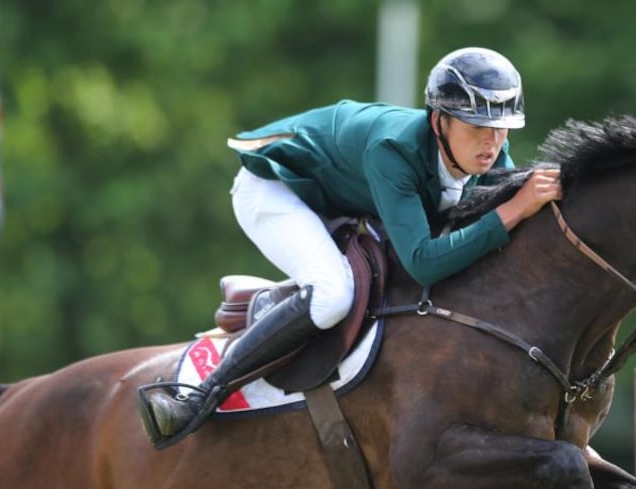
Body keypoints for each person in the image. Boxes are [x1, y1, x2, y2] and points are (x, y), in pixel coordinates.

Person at [137, 47, 562, 449]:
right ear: (438, 122)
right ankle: (198, 396)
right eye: (476, 128)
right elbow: (424, 264)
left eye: (500, 128)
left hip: (338, 198)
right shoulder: (393, 150)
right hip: (276, 188)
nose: (491, 143)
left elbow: (497, 219)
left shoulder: (487, 150)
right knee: (331, 295)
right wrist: (514, 211)